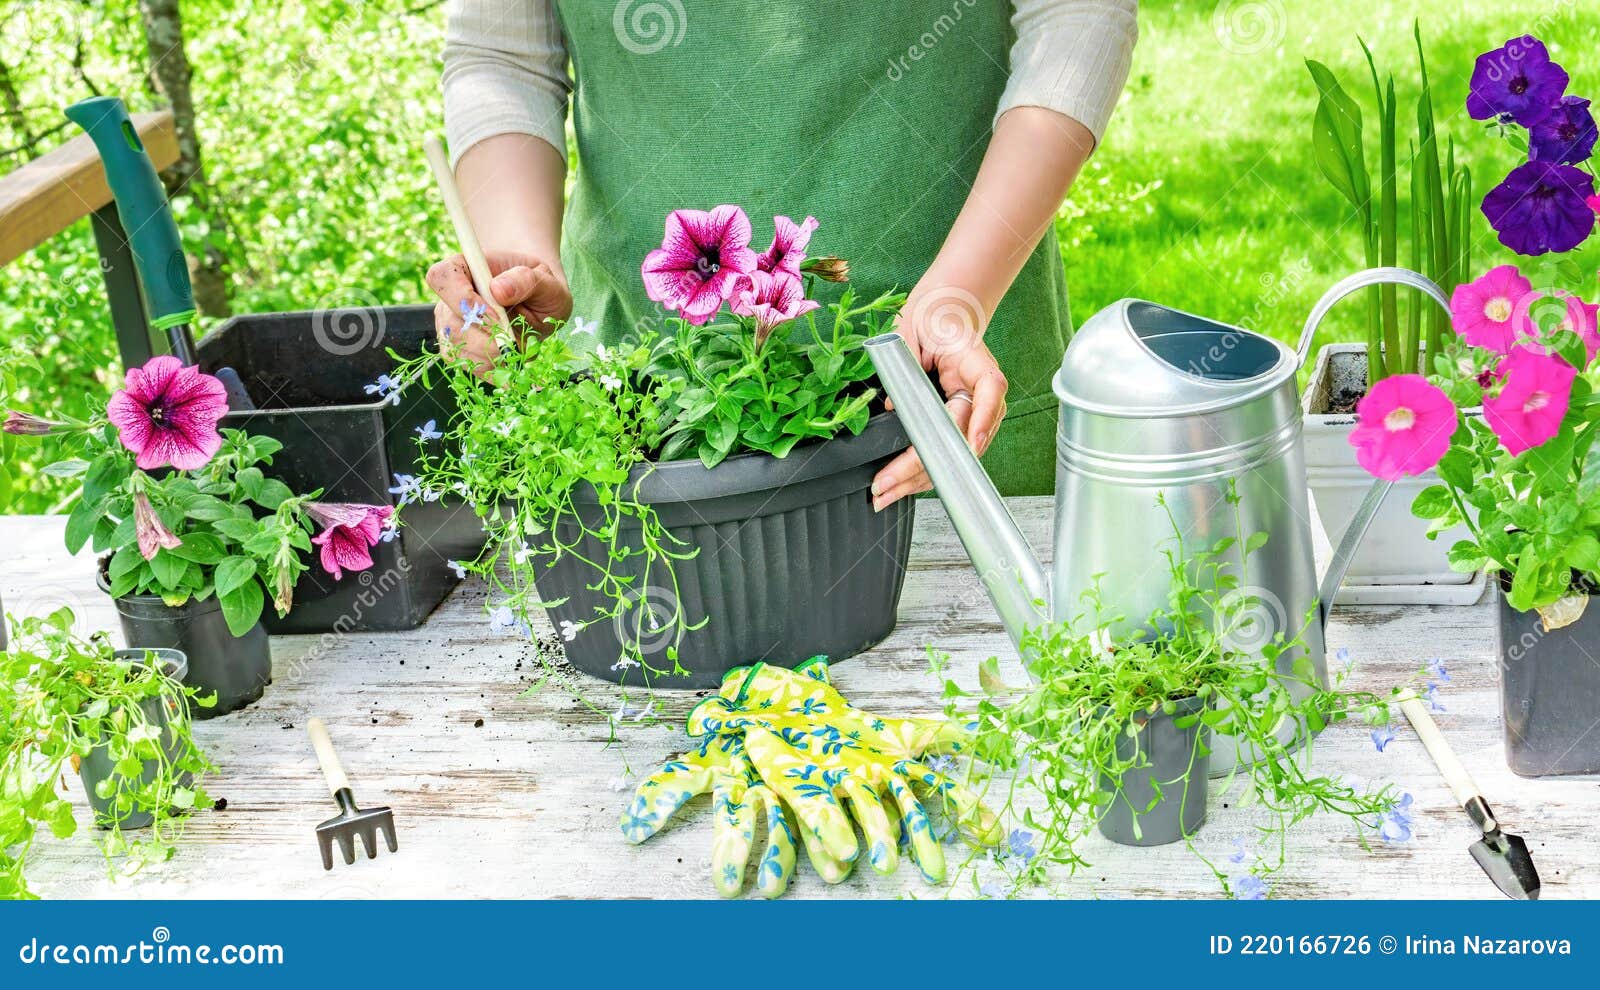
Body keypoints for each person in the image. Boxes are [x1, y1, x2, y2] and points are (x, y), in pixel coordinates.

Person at [426, 0, 1137, 505]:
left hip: (940, 369)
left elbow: (1077, 14)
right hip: (642, 396)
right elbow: (504, 55)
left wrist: (961, 294)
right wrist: (515, 260)